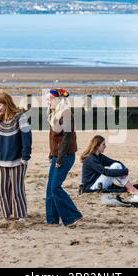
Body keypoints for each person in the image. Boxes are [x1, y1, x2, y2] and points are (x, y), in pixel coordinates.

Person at [0, 92, 32, 223]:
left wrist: (25, 156)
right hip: (1, 160)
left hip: (18, 159)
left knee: (17, 189)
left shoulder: (21, 117)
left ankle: (21, 215)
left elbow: (27, 138)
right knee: (2, 189)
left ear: (6, 104)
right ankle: (7, 215)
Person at [46, 88, 83, 228]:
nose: (47, 102)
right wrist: (52, 154)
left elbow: (67, 139)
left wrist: (60, 159)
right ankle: (52, 220)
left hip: (66, 156)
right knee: (50, 188)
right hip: (57, 155)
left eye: (50, 99)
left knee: (55, 187)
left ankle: (73, 216)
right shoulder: (54, 113)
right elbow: (54, 139)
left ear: (58, 100)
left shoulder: (66, 114)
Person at [80, 135, 138, 200]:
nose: (105, 146)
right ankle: (131, 189)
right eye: (103, 144)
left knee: (116, 165)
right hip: (91, 186)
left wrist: (123, 169)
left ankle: (130, 187)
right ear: (97, 146)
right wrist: (124, 171)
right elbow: (106, 172)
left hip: (99, 182)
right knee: (115, 166)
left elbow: (115, 162)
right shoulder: (91, 159)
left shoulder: (100, 156)